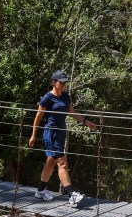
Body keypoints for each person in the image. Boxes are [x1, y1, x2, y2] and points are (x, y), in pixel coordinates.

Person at [29, 69, 95, 206]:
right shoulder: (47, 98)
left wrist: (85, 122)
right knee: (62, 162)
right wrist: (33, 135)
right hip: (51, 133)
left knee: (51, 161)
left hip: (61, 133)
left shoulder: (65, 97)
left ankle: (41, 190)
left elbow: (72, 112)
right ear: (54, 82)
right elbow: (38, 117)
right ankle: (71, 194)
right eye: (61, 82)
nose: (64, 85)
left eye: (65, 83)